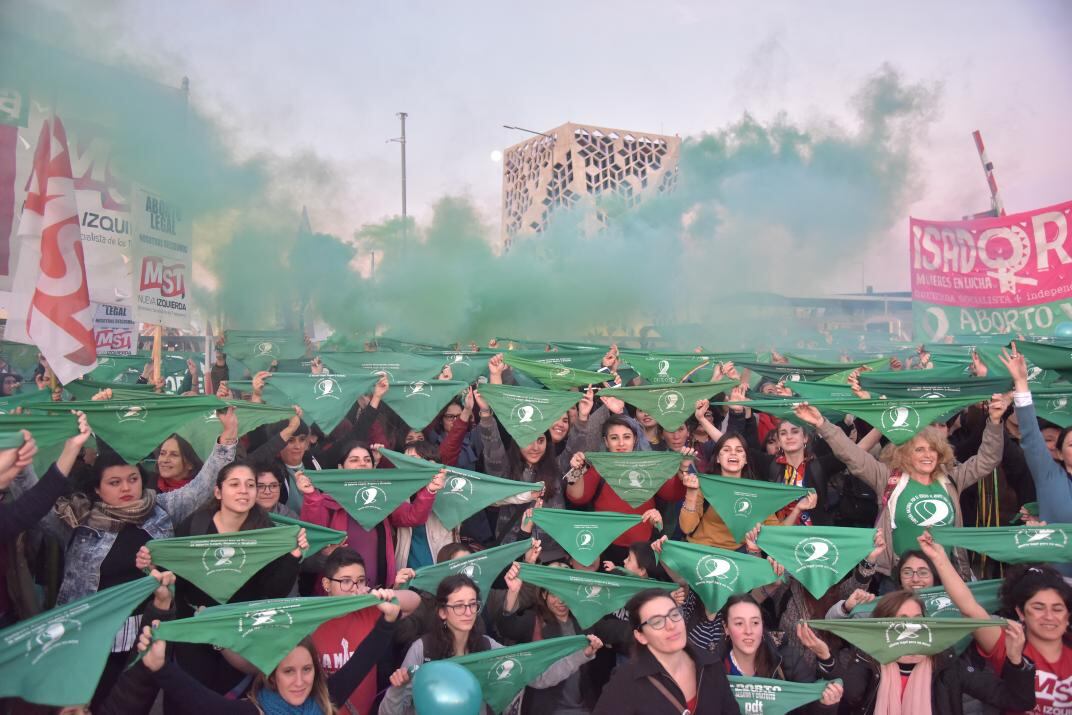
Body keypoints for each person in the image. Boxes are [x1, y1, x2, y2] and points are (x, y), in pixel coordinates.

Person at [791, 394, 1008, 578]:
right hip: (898, 578)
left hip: (946, 577)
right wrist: (822, 424)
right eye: (919, 450)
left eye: (933, 450)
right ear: (904, 454)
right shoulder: (888, 478)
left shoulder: (951, 478)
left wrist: (995, 421)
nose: (928, 455)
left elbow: (987, 460)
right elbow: (851, 455)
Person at [137, 590, 402, 714]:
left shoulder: (326, 699)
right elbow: (201, 702)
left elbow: (363, 660)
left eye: (306, 669)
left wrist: (388, 620)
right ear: (272, 676)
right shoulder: (256, 711)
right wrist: (161, 667)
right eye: (289, 671)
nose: (300, 681)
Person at [380, 574, 601, 714]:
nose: (468, 612)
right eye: (459, 606)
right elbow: (389, 712)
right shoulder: (423, 649)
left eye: (472, 605)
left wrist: (582, 653)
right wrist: (397, 690)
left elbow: (537, 676)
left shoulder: (487, 647)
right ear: (442, 612)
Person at [921, 529, 1072, 715]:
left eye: (1057, 609)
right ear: (1020, 612)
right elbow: (968, 608)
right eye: (1038, 608)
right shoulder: (1008, 643)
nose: (1049, 616)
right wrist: (939, 559)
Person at [822, 588, 1036, 715]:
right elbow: (845, 701)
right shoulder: (868, 659)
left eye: (917, 620)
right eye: (902, 621)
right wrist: (827, 659)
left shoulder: (946, 663)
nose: (911, 627)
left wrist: (1016, 660)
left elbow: (1018, 700)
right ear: (883, 626)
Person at [297, 441, 442, 589]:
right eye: (354, 460)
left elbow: (413, 517)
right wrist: (311, 497)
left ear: (373, 467)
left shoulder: (383, 497)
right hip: (340, 589)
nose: (362, 464)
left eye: (367, 460)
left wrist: (429, 491)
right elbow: (311, 534)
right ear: (341, 467)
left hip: (379, 585)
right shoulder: (325, 500)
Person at [496, 562, 628, 714]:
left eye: (565, 593)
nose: (561, 601)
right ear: (544, 595)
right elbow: (507, 628)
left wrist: (647, 625)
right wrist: (512, 593)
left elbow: (617, 630)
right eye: (554, 593)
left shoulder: (583, 620)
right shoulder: (534, 622)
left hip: (583, 707)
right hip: (545, 709)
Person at [592, 588, 740, 714]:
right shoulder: (625, 681)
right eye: (657, 622)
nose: (671, 625)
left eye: (675, 614)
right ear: (641, 636)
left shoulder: (711, 665)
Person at [311, 547, 421, 715]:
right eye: (346, 581)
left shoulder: (368, 610)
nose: (355, 589)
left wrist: (377, 594)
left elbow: (414, 601)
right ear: (327, 584)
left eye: (361, 581)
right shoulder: (311, 621)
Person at [566, 415, 686, 563]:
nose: (621, 443)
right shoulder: (597, 467)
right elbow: (577, 498)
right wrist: (576, 470)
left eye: (627, 437)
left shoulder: (648, 465)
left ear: (635, 440)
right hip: (606, 546)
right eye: (614, 438)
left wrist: (682, 470)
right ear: (606, 442)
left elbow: (673, 494)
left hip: (644, 548)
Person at [1002, 345, 1072, 575]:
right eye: (1071, 444)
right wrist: (1021, 382)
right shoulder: (1049, 476)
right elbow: (1031, 434)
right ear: (1059, 453)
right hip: (1057, 579)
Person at [679, 432, 815, 551]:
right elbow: (687, 528)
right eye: (726, 449)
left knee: (776, 579)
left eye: (739, 450)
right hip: (701, 552)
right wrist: (691, 492)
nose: (733, 453)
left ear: (745, 460)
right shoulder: (705, 484)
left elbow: (776, 533)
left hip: (738, 558)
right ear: (718, 459)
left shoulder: (757, 492)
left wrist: (798, 509)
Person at [717, 594, 843, 712]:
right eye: (739, 623)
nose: (748, 631)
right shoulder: (712, 668)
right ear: (726, 628)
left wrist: (824, 705)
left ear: (762, 625)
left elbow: (809, 707)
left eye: (755, 622)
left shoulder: (786, 658)